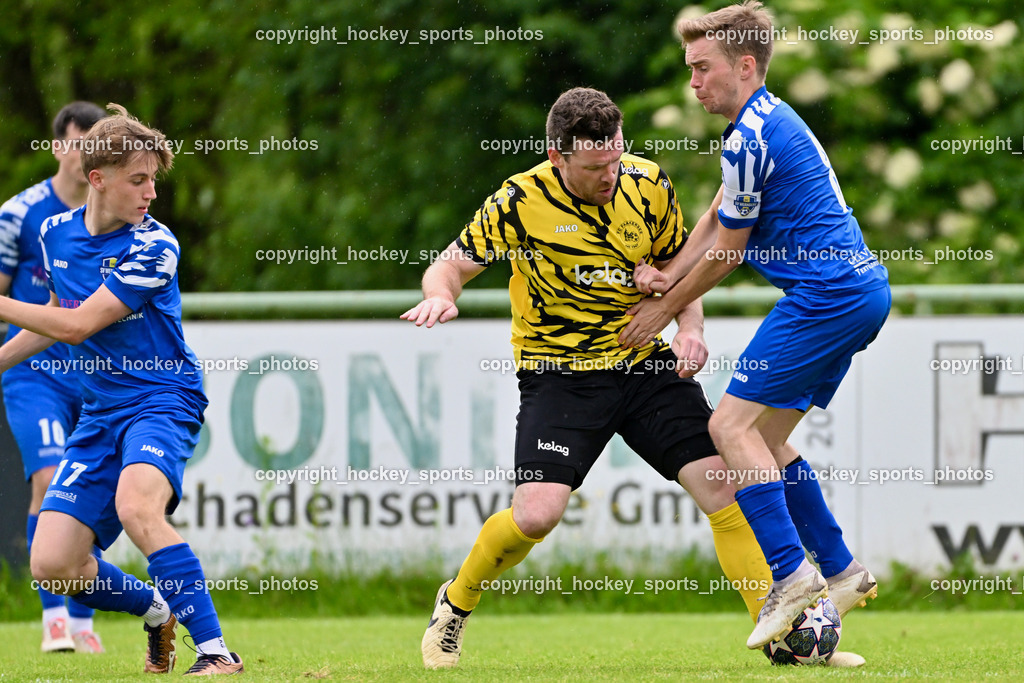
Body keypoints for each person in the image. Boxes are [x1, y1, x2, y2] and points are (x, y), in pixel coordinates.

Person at [402, 86, 863, 669]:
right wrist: (440, 296)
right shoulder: (519, 200)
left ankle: (784, 643)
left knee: (725, 486)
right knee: (536, 516)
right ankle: (455, 603)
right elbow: (450, 264)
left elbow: (683, 267)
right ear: (557, 157)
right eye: (596, 167)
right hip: (560, 375)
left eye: (616, 158)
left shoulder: (647, 184)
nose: (611, 175)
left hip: (643, 366)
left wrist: (689, 329)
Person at [619, 0, 888, 651]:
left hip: (826, 294)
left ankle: (793, 575)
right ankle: (844, 570)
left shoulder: (750, 136)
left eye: (702, 67)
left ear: (743, 65)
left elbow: (729, 250)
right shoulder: (763, 124)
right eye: (689, 68)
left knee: (726, 427)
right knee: (761, 442)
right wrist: (667, 271)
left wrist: (662, 306)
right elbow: (714, 218)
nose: (693, 82)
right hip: (857, 291)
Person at [0, 104, 243, 675]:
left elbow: (81, 324)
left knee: (137, 506)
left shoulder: (155, 246)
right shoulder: (54, 233)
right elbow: (56, 310)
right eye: (139, 179)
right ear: (97, 178)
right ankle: (158, 610)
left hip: (163, 399)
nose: (151, 192)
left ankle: (215, 651)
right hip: (100, 409)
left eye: (154, 179)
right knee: (53, 564)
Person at [0, 101, 107, 654]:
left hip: (92, 376)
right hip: (34, 373)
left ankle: (86, 621)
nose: (86, 148)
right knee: (47, 479)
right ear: (59, 147)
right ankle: (54, 622)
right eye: (77, 139)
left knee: (85, 490)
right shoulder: (20, 214)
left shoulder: (114, 216)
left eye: (95, 139)